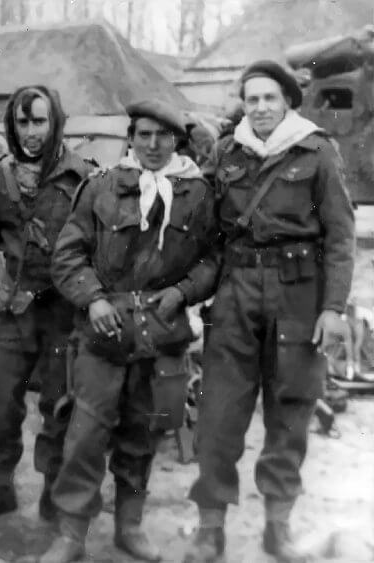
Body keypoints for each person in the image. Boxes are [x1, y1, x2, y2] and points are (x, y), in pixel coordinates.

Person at [183, 60, 355, 563]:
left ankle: (277, 529)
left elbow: (341, 238)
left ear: (287, 103)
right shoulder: (228, 151)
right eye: (252, 99)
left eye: (269, 99)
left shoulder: (318, 151)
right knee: (218, 414)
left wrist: (333, 309)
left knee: (290, 413)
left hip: (298, 294)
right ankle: (210, 528)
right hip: (237, 292)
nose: (259, 108)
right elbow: (202, 223)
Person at [40, 100, 218, 563]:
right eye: (143, 135)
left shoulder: (197, 193)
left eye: (163, 136)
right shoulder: (101, 187)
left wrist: (184, 290)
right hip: (105, 332)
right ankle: (72, 534)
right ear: (130, 137)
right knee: (84, 435)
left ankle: (129, 525)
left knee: (143, 435)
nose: (153, 145)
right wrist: (93, 298)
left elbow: (212, 260)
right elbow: (67, 255)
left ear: (177, 140)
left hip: (161, 333)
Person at [0, 85, 93, 526]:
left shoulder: (85, 177)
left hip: (62, 311)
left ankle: (54, 492)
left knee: (60, 406)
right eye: (22, 122)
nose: (31, 132)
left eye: (40, 121)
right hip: (11, 306)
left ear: (56, 122)